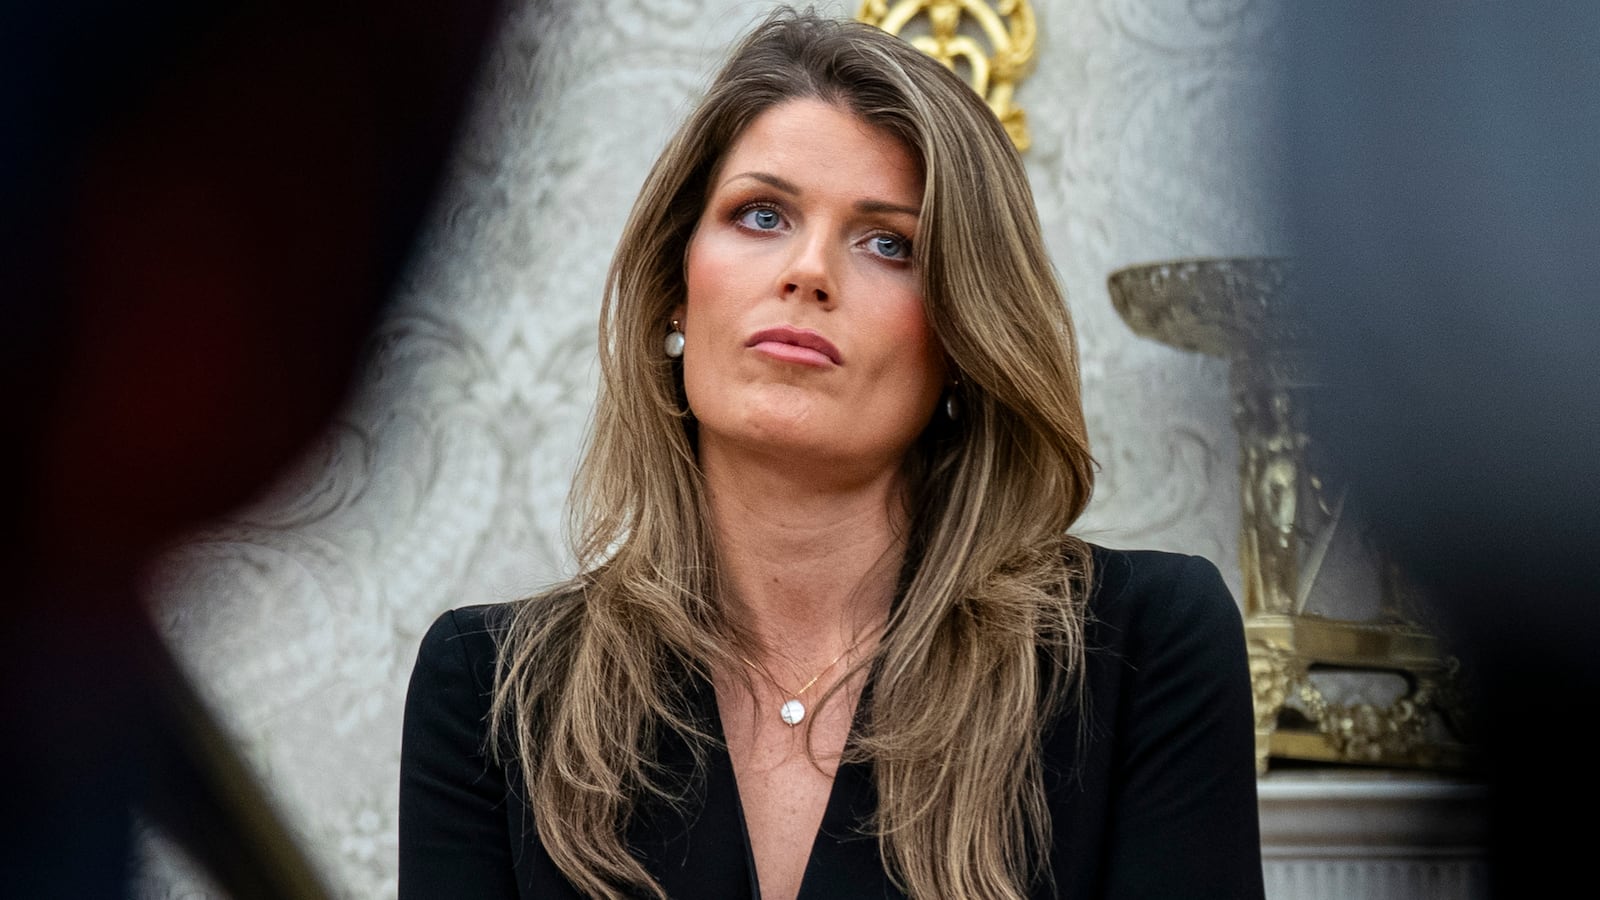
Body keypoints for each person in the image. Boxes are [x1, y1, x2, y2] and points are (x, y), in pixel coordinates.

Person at [399, 9, 1263, 899]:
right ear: (674, 293)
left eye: (889, 242)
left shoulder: (1140, 647)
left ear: (965, 339)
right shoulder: (493, 690)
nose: (808, 271)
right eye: (761, 214)